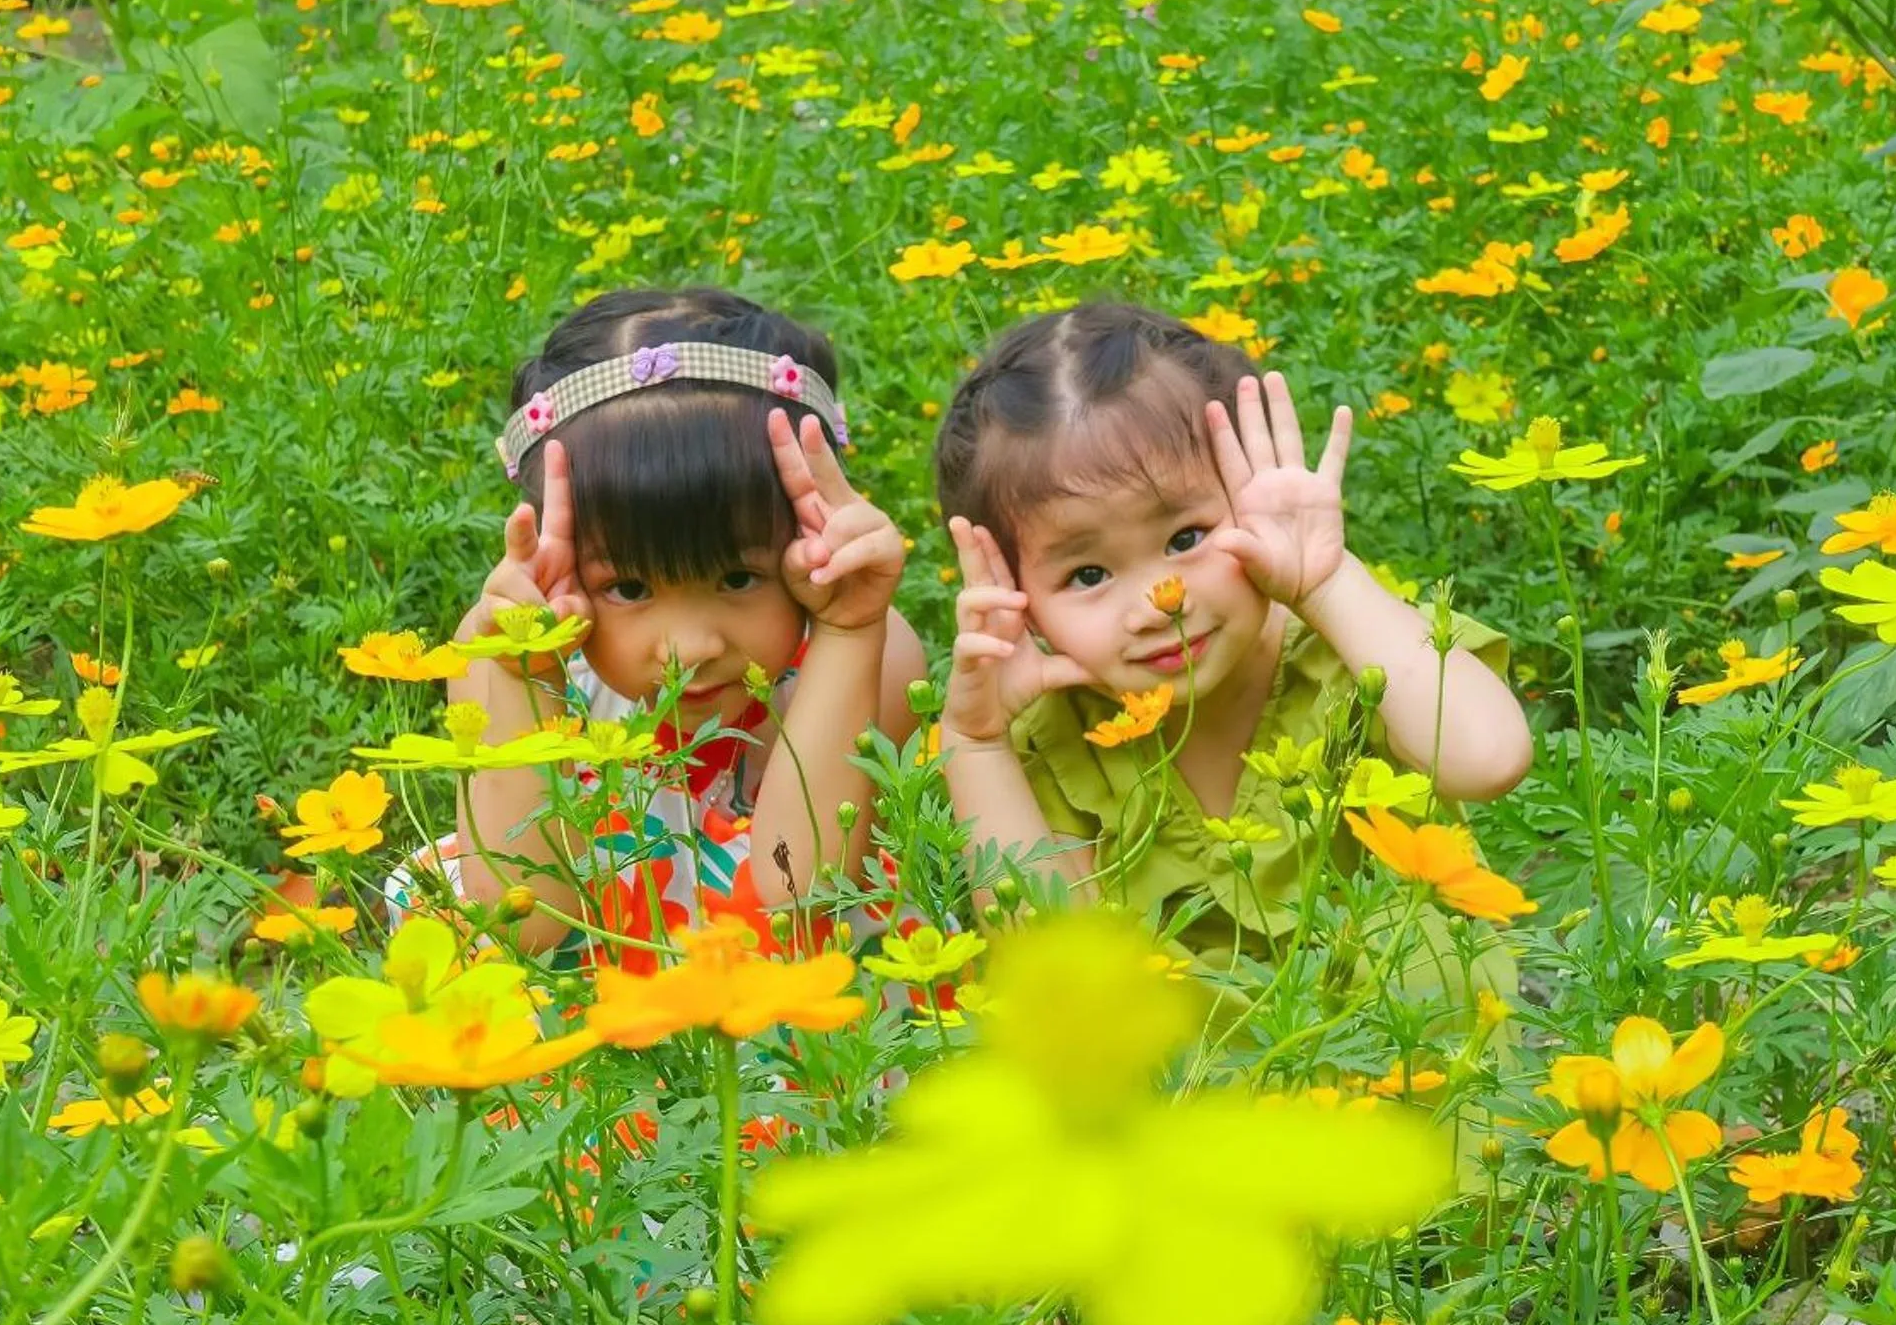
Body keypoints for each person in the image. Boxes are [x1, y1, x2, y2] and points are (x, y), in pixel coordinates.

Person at [931, 302, 1532, 1037]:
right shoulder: (1055, 734)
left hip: (1424, 1096)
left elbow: (1490, 757)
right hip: (1201, 1124)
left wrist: (1328, 581)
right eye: (1087, 575)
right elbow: (1053, 962)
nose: (1160, 600)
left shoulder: (1352, 653)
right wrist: (979, 741)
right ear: (1016, 598)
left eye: (1186, 536)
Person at [407, 287, 925, 962]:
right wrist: (524, 676)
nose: (688, 649)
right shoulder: (500, 645)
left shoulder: (868, 651)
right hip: (590, 999)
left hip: (786, 993)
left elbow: (802, 893)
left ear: (809, 527)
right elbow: (521, 926)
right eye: (628, 587)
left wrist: (852, 634)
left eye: (738, 579)